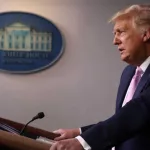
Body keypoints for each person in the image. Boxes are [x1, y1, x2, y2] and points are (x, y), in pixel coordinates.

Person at [50, 4, 150, 150]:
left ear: (146, 34)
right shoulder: (129, 73)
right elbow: (121, 120)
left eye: (120, 32)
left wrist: (83, 142)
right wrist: (78, 132)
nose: (115, 41)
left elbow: (137, 113)